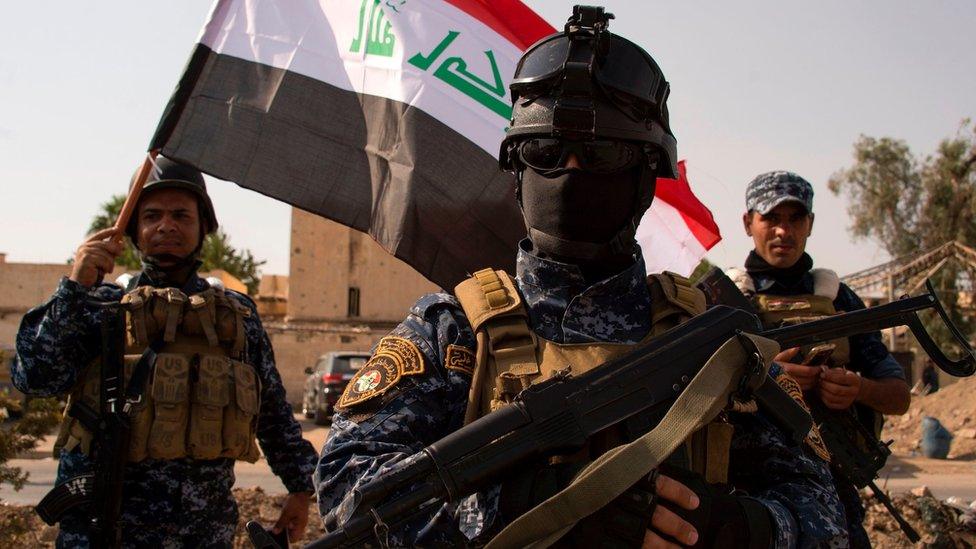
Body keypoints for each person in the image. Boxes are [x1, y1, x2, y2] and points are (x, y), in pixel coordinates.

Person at [315, 6, 847, 548]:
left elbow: (823, 514)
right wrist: (527, 506)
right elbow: (349, 494)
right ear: (518, 173)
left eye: (601, 154)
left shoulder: (713, 340)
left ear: (644, 178)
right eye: (544, 152)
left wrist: (731, 527)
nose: (570, 173)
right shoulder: (451, 335)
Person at [14, 157, 318, 547]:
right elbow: (36, 378)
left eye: (181, 215)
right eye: (152, 215)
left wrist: (300, 488)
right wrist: (74, 286)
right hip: (101, 532)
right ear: (133, 229)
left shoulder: (236, 318)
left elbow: (273, 415)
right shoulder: (97, 308)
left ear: (203, 227)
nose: (166, 226)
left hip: (200, 533)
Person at [729, 170, 912, 548]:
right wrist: (768, 376)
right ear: (749, 223)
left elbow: (898, 396)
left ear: (810, 224)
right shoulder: (723, 300)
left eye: (795, 218)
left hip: (837, 493)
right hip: (749, 494)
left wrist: (858, 388)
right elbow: (692, 402)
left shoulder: (839, 300)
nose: (784, 231)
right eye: (771, 218)